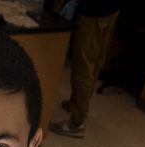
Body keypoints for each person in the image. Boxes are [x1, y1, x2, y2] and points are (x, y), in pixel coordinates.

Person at [50, 0, 121, 138]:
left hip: (93, 11)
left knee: (84, 64)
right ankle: (78, 104)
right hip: (110, 9)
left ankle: (76, 123)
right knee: (95, 60)